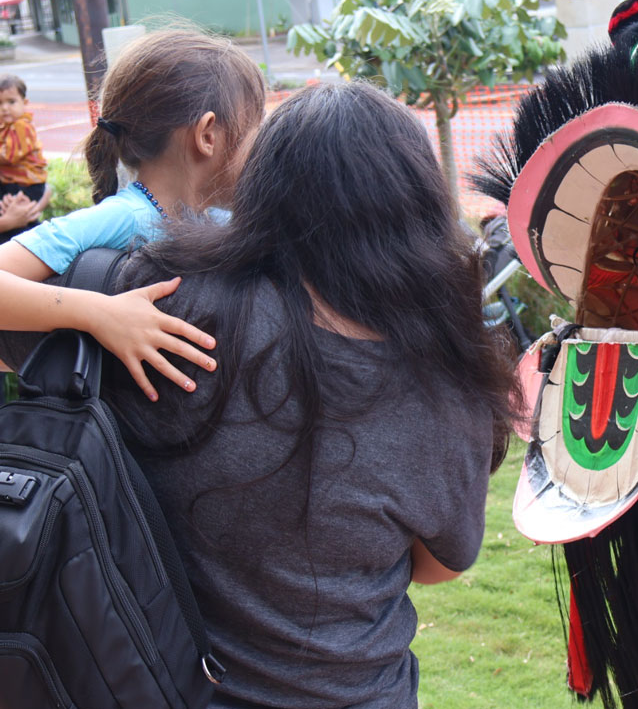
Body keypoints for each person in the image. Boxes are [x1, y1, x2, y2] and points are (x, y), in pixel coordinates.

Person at [0, 81, 519, 709]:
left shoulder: (156, 306)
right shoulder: (446, 386)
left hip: (145, 682)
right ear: (420, 207)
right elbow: (440, 565)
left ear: (263, 187)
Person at [0, 29, 266, 400]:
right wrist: (99, 313)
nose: (266, 149)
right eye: (257, 129)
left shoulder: (218, 221)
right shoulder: (124, 217)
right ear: (208, 135)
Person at [0, 74, 50, 237]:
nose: (5, 108)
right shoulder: (8, 127)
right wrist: (9, 221)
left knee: (22, 223)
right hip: (15, 183)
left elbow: (10, 155)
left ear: (25, 103)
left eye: (11, 102)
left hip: (25, 184)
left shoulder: (21, 126)